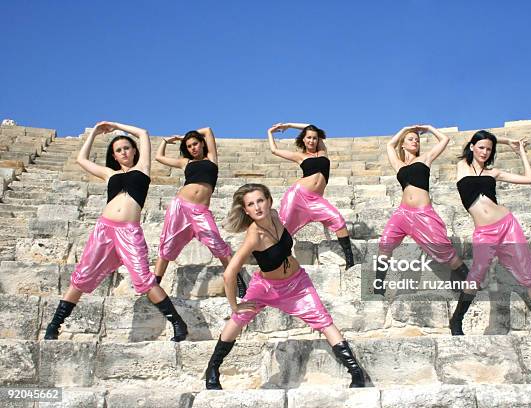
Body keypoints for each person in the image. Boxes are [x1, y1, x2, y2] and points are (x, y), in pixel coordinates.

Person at [203, 184, 365, 389]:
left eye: (260, 200)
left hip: (298, 283)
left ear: (269, 201)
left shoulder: (274, 215)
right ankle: (213, 369)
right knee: (238, 319)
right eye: (251, 204)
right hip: (266, 287)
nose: (257, 207)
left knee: (324, 320)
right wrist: (235, 305)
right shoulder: (255, 235)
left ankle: (356, 373)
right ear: (246, 210)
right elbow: (229, 274)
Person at [44, 121, 188, 341]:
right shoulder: (109, 174)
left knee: (144, 280)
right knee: (82, 276)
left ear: (134, 150)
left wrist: (113, 125)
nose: (123, 152)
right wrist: (94, 132)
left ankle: (178, 323)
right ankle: (54, 325)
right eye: (118, 150)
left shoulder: (143, 168)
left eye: (127, 148)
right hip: (104, 229)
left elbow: (143, 132)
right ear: (114, 155)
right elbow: (80, 160)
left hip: (129, 232)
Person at [450, 130, 531, 335]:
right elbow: (478, 140)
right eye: (481, 147)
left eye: (489, 149)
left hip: (507, 226)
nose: (485, 152)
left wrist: (521, 152)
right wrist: (507, 140)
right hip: (484, 232)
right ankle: (457, 320)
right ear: (472, 147)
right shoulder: (462, 166)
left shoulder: (494, 173)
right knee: (476, 275)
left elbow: (529, 179)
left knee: (528, 273)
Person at [376, 125, 470, 295]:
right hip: (402, 213)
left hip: (423, 213)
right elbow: (390, 145)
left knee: (445, 252)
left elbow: (444, 139)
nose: (415, 142)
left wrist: (427, 128)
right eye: (410, 139)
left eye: (417, 140)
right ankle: (378, 288)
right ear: (403, 144)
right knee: (385, 244)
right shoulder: (398, 165)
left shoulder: (426, 158)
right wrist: (405, 128)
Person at [154, 127, 246, 297]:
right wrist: (166, 141)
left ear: (202, 144)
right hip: (180, 207)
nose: (193, 148)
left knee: (219, 245)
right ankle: (154, 285)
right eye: (188, 146)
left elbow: (208, 130)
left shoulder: (212, 159)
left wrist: (185, 135)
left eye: (195, 144)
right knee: (167, 244)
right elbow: (159, 157)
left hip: (201, 212)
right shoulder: (186, 162)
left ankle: (236, 280)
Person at [267, 123, 355, 269]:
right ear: (303, 139)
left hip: (316, 200)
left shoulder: (322, 151)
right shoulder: (300, 156)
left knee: (338, 220)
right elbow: (274, 150)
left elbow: (310, 126)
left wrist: (289, 125)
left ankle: (350, 261)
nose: (311, 141)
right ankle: (275, 261)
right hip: (297, 196)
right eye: (308, 138)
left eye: (314, 138)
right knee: (283, 229)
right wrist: (270, 131)